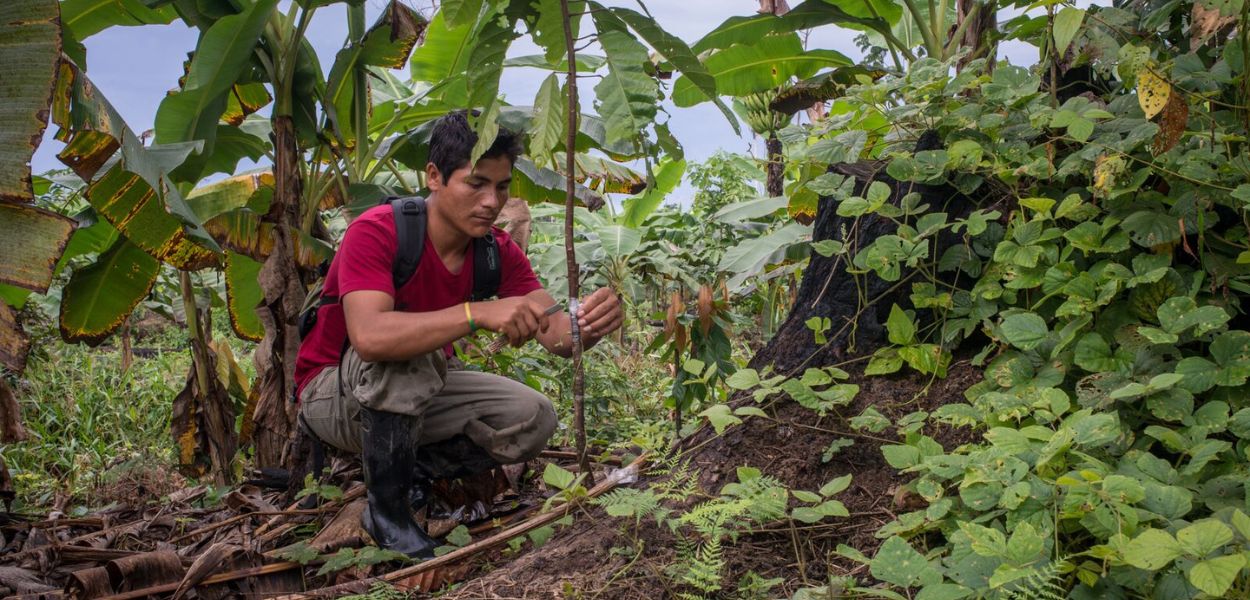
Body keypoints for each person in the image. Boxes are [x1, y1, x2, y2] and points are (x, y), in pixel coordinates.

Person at [292, 112, 624, 558]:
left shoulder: (493, 251)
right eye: (476, 184)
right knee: (414, 356)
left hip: (417, 392)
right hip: (332, 395)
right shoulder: (377, 230)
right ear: (434, 177)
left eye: (502, 187)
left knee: (532, 417)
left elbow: (557, 335)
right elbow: (370, 337)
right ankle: (387, 514)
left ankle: (407, 475)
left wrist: (590, 323)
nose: (492, 201)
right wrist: (477, 312)